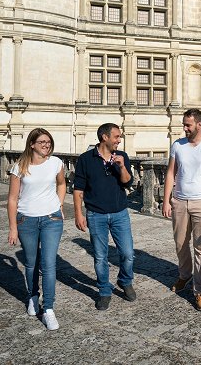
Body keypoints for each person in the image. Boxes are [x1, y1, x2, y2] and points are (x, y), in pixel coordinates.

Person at [162, 109, 201, 311]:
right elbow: (171, 173)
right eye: (184, 124)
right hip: (179, 201)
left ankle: (200, 292)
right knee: (180, 243)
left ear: (199, 125)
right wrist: (166, 200)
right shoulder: (177, 145)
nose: (185, 128)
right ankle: (185, 275)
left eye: (188, 125)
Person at [7, 128, 66, 331]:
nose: (46, 145)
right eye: (41, 142)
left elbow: (61, 184)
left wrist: (58, 206)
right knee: (31, 264)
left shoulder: (56, 163)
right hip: (26, 220)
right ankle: (33, 296)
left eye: (48, 142)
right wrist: (13, 228)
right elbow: (12, 199)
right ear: (31, 144)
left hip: (52, 219)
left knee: (48, 264)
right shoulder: (19, 167)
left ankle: (48, 309)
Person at [73, 123, 136, 311]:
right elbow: (78, 189)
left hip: (120, 213)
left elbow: (127, 182)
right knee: (100, 257)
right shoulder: (86, 159)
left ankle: (125, 281)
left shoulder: (122, 156)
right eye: (116, 136)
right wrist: (78, 214)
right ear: (104, 137)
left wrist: (122, 166)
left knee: (128, 253)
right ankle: (104, 291)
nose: (119, 140)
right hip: (95, 214)